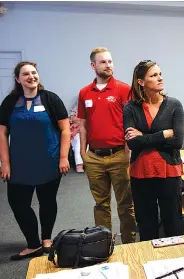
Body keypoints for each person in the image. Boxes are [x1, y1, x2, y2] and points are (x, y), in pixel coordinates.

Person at [0, 61, 70, 260]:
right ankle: (32, 243)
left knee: (47, 201)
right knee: (18, 203)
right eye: (25, 74)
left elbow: (65, 130)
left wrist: (64, 157)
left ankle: (46, 239)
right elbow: (2, 132)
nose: (31, 77)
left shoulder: (50, 99)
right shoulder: (10, 102)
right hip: (20, 164)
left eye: (34, 72)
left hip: (49, 160)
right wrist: (5, 162)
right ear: (17, 79)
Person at [78, 47, 136, 243]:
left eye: (110, 61)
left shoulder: (123, 89)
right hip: (94, 157)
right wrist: (82, 153)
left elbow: (132, 122)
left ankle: (129, 243)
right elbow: (83, 124)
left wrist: (128, 150)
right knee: (100, 204)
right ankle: (103, 243)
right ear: (93, 65)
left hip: (119, 155)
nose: (108, 65)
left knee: (125, 204)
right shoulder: (85, 93)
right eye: (103, 62)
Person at [123, 60, 184, 241]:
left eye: (160, 74)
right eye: (153, 75)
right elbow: (133, 144)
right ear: (141, 82)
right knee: (146, 226)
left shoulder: (174, 105)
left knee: (173, 224)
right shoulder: (130, 107)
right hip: (141, 173)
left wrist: (143, 136)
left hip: (169, 172)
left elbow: (177, 142)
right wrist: (164, 133)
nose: (160, 78)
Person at [69, 101, 84, 173]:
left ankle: (85, 163)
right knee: (78, 145)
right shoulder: (77, 106)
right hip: (76, 131)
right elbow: (72, 118)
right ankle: (79, 165)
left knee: (87, 146)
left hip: (89, 131)